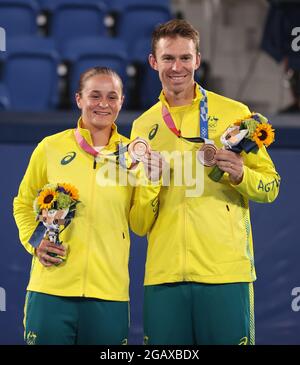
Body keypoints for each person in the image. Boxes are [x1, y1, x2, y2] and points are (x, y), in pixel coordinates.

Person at [130, 19, 281, 345]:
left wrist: (242, 175)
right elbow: (140, 223)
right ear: (153, 62)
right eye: (168, 58)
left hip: (225, 274)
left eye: (185, 58)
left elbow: (271, 186)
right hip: (164, 276)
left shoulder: (234, 113)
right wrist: (152, 183)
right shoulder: (144, 127)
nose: (177, 67)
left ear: (198, 60)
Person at [13, 66, 161, 345]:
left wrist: (152, 181)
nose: (103, 104)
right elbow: (22, 203)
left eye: (112, 97)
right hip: (51, 290)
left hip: (109, 294)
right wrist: (35, 241)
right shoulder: (50, 147)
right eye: (94, 95)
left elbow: (140, 224)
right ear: (79, 99)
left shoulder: (133, 156)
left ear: (121, 102)